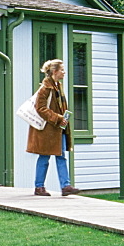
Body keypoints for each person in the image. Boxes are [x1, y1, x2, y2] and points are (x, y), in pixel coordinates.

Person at [28, 59, 80, 197]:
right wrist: (58, 118)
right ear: (54, 71)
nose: (64, 72)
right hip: (47, 130)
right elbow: (40, 108)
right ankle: (39, 187)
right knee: (44, 157)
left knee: (61, 156)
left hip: (58, 129)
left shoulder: (58, 86)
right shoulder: (45, 88)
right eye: (62, 69)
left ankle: (65, 186)